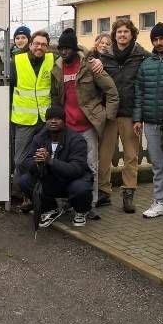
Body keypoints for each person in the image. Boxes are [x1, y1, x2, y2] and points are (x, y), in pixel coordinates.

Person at [51, 28, 119, 220]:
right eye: (61, 49)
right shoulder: (57, 69)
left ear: (74, 48)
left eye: (67, 48)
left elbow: (111, 91)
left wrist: (106, 116)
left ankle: (90, 205)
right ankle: (66, 203)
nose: (63, 52)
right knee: (64, 165)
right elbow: (55, 97)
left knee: (90, 166)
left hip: (88, 126)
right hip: (68, 128)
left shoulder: (89, 66)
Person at [97, 19, 149, 213]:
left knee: (131, 156)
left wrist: (139, 116)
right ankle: (103, 192)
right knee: (104, 156)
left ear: (132, 34)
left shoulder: (142, 56)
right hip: (109, 114)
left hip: (131, 115)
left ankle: (128, 193)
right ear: (114, 35)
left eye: (126, 31)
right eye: (119, 32)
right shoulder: (104, 57)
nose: (122, 35)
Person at [132, 23, 163, 221]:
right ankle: (160, 202)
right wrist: (138, 118)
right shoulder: (147, 64)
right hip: (151, 123)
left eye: (162, 38)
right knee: (158, 166)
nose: (159, 42)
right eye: (155, 39)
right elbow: (139, 92)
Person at [19, 105, 93, 227]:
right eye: (49, 119)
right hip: (51, 180)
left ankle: (81, 211)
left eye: (57, 118)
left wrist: (50, 161)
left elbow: (77, 169)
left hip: (71, 180)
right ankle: (51, 209)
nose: (53, 121)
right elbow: (27, 162)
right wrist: (37, 163)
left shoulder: (76, 140)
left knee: (82, 188)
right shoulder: (39, 138)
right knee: (25, 181)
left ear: (64, 121)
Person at [10, 31, 55, 200]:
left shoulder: (52, 59)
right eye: (36, 44)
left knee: (44, 158)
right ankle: (20, 192)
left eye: (43, 44)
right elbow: (10, 87)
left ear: (48, 46)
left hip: (45, 120)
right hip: (24, 120)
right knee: (20, 160)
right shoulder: (18, 61)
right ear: (30, 45)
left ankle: (34, 195)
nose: (40, 47)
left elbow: (73, 49)